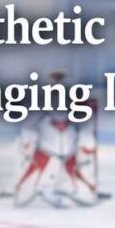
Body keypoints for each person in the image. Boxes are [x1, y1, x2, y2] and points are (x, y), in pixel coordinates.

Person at [15, 69, 99, 207]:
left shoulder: (69, 95)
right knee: (42, 165)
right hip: (48, 142)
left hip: (66, 143)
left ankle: (72, 189)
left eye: (60, 79)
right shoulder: (42, 96)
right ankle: (34, 189)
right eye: (55, 78)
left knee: (71, 163)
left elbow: (79, 114)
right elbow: (32, 117)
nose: (58, 82)